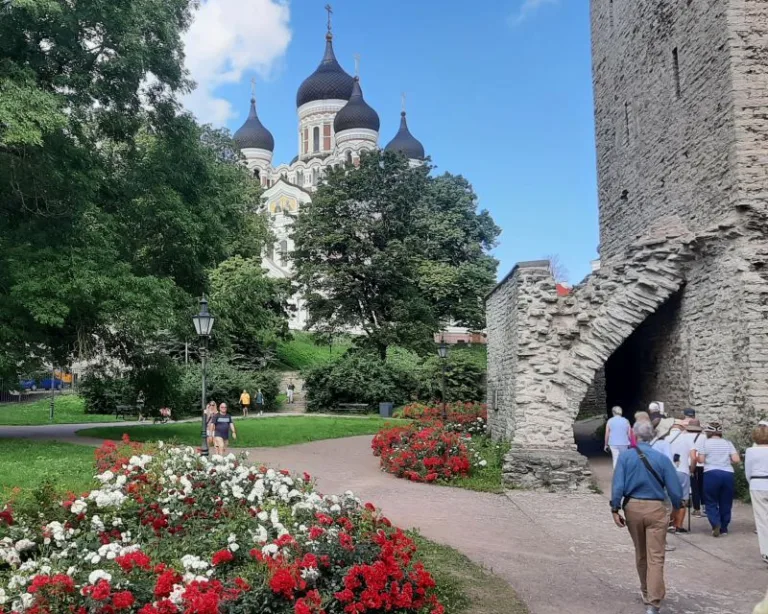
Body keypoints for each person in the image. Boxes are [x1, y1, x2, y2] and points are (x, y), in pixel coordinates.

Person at [611, 421, 683, 614]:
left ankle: (645, 590)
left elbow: (618, 485)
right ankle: (654, 601)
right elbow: (675, 490)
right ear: (652, 436)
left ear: (634, 436)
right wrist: (676, 509)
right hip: (656, 508)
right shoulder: (661, 459)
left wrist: (615, 508)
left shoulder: (625, 458)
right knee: (656, 555)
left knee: (641, 552)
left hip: (633, 507)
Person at [696, 422, 741, 537]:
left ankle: (715, 523)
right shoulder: (728, 443)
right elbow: (736, 459)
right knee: (726, 501)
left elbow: (701, 460)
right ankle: (724, 528)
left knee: (710, 500)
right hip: (727, 474)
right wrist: (726, 461)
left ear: (708, 432)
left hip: (711, 473)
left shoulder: (704, 443)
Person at [666, 420, 697, 533]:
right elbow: (694, 457)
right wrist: (692, 470)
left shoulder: (665, 438)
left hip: (669, 472)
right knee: (683, 499)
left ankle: (669, 523)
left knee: (669, 498)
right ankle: (678, 525)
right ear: (681, 428)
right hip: (683, 470)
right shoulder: (688, 438)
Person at [746, 422, 768, 563]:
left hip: (757, 483)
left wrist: (751, 482)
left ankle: (766, 551)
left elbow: (748, 471)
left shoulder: (750, 451)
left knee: (762, 519)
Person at [686, 419, 706, 518]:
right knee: (702, 486)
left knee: (694, 487)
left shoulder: (685, 437)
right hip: (702, 464)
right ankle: (704, 507)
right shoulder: (704, 437)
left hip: (690, 464)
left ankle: (696, 509)